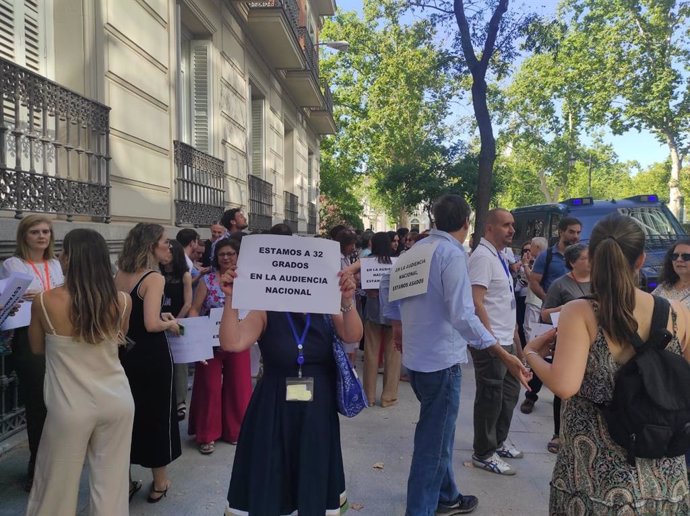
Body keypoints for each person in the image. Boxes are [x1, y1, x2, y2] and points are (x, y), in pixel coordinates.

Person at [524, 213, 690, 514]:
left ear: (594, 257)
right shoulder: (677, 312)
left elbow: (564, 385)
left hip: (594, 478)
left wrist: (531, 354)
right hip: (664, 473)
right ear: (640, 259)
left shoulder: (581, 312)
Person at [381, 195, 531, 515]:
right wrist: (501, 354)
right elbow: (463, 315)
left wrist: (397, 329)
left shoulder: (414, 250)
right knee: (432, 445)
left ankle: (447, 496)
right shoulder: (451, 254)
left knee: (439, 436)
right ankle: (420, 509)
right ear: (467, 223)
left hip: (420, 361)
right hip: (440, 363)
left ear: (435, 220)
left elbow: (391, 291)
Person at [218, 264, 362, 515]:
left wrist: (346, 300)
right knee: (271, 473)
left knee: (313, 472)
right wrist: (231, 298)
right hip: (273, 408)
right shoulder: (266, 309)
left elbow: (353, 335)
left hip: (317, 409)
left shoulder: (326, 307)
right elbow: (232, 342)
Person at [26, 229, 134, 516]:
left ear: (71, 258)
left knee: (55, 488)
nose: (59, 256)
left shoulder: (45, 301)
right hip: (117, 400)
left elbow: (36, 348)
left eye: (63, 251)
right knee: (112, 485)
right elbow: (118, 339)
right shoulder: (122, 301)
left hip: (69, 405)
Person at [114, 223, 181, 503]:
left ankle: (124, 482)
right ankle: (160, 482)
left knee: (126, 418)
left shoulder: (121, 274)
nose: (169, 247)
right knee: (157, 417)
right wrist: (172, 323)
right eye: (165, 242)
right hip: (152, 357)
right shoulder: (154, 278)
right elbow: (151, 323)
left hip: (124, 354)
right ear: (151, 245)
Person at [1, 215, 64, 491]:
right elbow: (8, 300)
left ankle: (58, 464)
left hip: (59, 335)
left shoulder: (55, 263)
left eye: (46, 232)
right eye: (35, 232)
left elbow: (59, 294)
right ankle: (37, 469)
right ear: (24, 236)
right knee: (38, 404)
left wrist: (40, 294)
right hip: (28, 336)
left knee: (60, 403)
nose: (42, 237)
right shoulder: (13, 264)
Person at [468, 208, 525, 476]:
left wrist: (517, 343)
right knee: (490, 398)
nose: (512, 230)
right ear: (489, 228)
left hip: (506, 340)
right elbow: (476, 302)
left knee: (510, 395)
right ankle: (483, 452)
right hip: (492, 344)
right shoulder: (482, 257)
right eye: (506, 225)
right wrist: (491, 342)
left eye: (512, 225)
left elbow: (505, 303)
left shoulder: (500, 256)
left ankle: (498, 442)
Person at [188, 238, 251, 453]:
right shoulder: (208, 281)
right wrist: (195, 337)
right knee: (209, 387)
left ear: (238, 256)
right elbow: (195, 308)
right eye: (222, 254)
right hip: (210, 342)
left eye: (230, 254)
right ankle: (206, 434)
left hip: (239, 339)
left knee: (239, 385)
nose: (226, 258)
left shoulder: (248, 280)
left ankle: (237, 430)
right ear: (216, 256)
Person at [522, 218, 581, 414]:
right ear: (561, 232)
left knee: (564, 360)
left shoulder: (582, 257)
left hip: (573, 321)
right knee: (543, 357)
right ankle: (531, 396)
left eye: (578, 232)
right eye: (571, 232)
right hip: (549, 316)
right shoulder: (547, 256)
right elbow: (535, 282)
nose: (575, 236)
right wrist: (549, 300)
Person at [539, 243, 591, 454]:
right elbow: (544, 314)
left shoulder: (600, 283)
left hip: (592, 343)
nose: (591, 261)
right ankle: (558, 433)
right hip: (567, 343)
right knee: (563, 390)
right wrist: (567, 308)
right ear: (572, 262)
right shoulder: (560, 285)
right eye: (586, 258)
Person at [653, 237, 690, 479]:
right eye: (675, 256)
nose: (679, 260)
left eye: (686, 257)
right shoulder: (663, 287)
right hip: (660, 361)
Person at [362, 232, 401, 407]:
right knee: (393, 355)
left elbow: (362, 287)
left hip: (373, 312)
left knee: (371, 353)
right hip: (393, 313)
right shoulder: (397, 262)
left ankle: (368, 396)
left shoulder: (367, 261)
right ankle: (388, 396)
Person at [161, 240, 193, 421]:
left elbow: (188, 302)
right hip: (158, 321)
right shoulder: (156, 273)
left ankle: (180, 401)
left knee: (180, 362)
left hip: (178, 322)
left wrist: (177, 321)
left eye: (169, 252)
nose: (166, 255)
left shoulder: (184, 275)